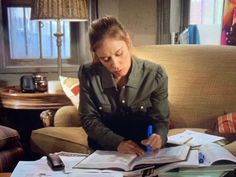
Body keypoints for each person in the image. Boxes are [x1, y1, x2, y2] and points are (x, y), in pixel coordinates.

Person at [78, 16, 169, 156]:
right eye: (105, 59)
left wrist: (159, 137)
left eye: (119, 54)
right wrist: (117, 143)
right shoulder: (88, 74)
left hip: (144, 152)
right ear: (96, 55)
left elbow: (161, 120)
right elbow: (88, 119)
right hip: (105, 151)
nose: (115, 64)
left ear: (128, 41)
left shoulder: (155, 74)